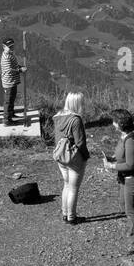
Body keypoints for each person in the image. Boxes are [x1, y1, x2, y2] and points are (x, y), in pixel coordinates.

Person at [103, 108, 134, 254]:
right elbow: (123, 155)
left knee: (131, 210)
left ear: (120, 123)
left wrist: (112, 166)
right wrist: (113, 158)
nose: (113, 124)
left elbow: (130, 165)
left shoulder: (132, 140)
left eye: (114, 121)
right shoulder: (125, 136)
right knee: (124, 205)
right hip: (126, 177)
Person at [53, 92, 90, 224]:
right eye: (82, 102)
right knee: (73, 188)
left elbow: (57, 138)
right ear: (77, 104)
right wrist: (86, 156)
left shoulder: (57, 117)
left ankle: (65, 213)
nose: (84, 105)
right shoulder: (76, 119)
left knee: (67, 185)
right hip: (75, 158)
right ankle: (72, 217)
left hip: (61, 156)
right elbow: (80, 143)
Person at [0, 38, 23, 125]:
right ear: (4, 47)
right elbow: (10, 70)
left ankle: (11, 114)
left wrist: (19, 66)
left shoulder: (10, 54)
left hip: (12, 81)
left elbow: (14, 65)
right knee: (8, 101)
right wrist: (20, 69)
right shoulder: (6, 57)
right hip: (9, 82)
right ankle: (7, 120)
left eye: (12, 46)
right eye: (9, 47)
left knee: (12, 99)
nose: (12, 48)